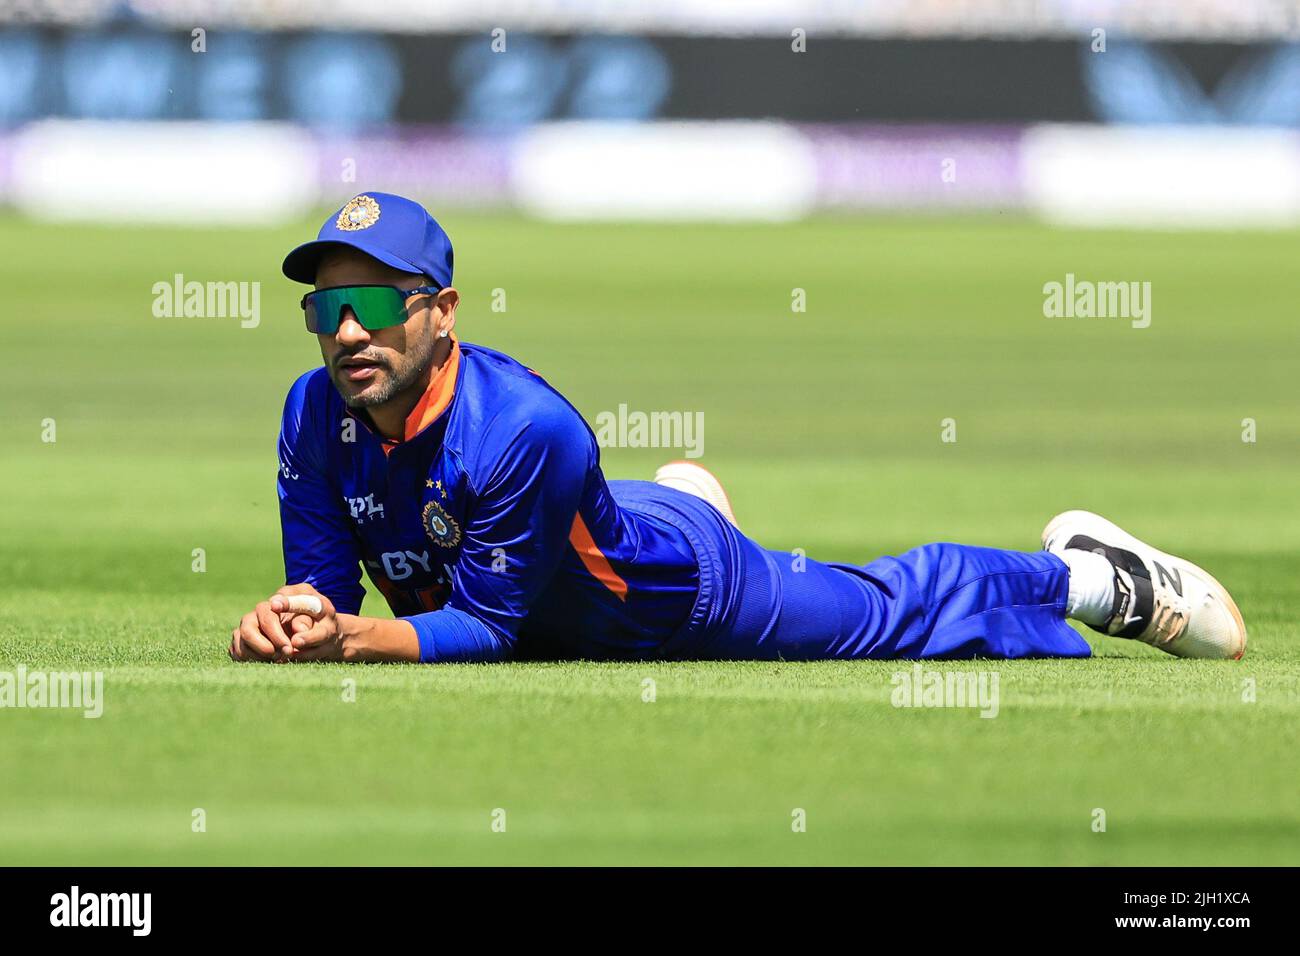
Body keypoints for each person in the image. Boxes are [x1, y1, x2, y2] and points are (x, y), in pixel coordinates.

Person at [229, 193, 1246, 664]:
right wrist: (297, 614)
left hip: (677, 596)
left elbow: (490, 630)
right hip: (577, 541)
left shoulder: (524, 429)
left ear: (443, 311)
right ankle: (687, 490)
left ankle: (1097, 579)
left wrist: (351, 642)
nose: (346, 331)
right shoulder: (313, 410)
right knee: (603, 521)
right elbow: (327, 582)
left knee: (893, 611)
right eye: (324, 310)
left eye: (375, 305)